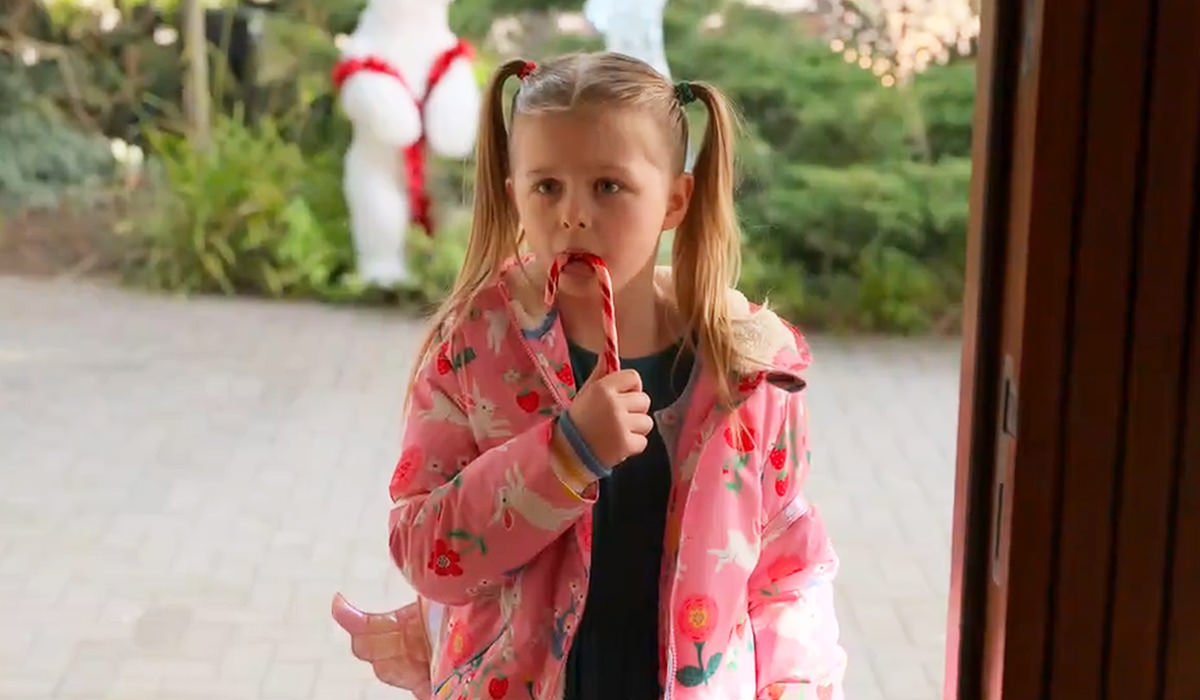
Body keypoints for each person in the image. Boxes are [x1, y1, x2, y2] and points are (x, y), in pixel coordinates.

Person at [332, 51, 847, 700]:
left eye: (608, 186)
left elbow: (787, 574)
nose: (574, 213)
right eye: (547, 186)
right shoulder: (473, 350)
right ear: (516, 192)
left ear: (674, 201)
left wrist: (796, 688)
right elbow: (425, 548)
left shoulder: (747, 376)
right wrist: (565, 456)